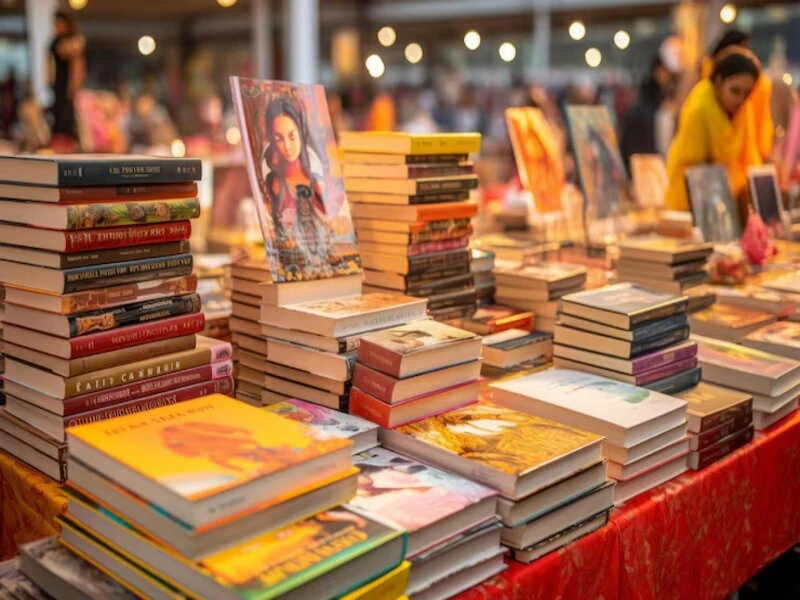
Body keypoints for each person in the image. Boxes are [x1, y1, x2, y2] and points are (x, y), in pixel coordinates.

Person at [664, 46, 764, 218]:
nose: (740, 99)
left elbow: (749, 158)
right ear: (718, 82)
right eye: (735, 91)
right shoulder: (700, 107)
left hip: (724, 204)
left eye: (747, 93)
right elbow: (696, 171)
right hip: (690, 206)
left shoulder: (743, 108)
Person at [48, 10, 85, 149]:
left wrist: (74, 86)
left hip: (67, 85)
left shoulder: (73, 41)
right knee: (58, 114)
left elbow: (77, 66)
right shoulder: (54, 41)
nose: (57, 26)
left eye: (60, 23)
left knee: (67, 116)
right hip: (57, 84)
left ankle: (67, 146)